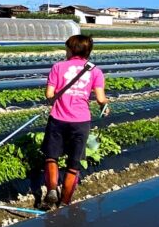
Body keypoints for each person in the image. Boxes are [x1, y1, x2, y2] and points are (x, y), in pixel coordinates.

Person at [42, 34, 109, 208]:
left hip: (58, 118)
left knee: (51, 156)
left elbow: (49, 94)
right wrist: (105, 106)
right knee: (74, 162)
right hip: (81, 121)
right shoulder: (95, 71)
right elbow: (101, 98)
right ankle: (65, 202)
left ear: (71, 49)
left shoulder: (58, 67)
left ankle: (52, 189)